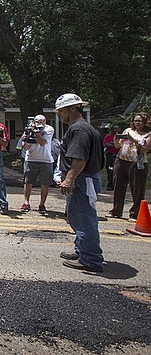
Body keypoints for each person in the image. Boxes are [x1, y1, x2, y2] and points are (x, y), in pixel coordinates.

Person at [55, 93, 104, 273]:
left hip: (82, 180)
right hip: (85, 179)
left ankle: (91, 259)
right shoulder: (83, 127)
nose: (59, 114)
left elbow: (79, 159)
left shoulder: (79, 130)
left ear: (73, 108)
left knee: (83, 219)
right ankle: (82, 251)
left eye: (61, 111)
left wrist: (69, 179)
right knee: (77, 217)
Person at [107, 113, 151, 220]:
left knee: (137, 188)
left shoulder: (148, 134)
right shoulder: (127, 131)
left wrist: (134, 140)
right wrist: (116, 140)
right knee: (118, 186)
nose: (137, 123)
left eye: (139, 121)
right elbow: (118, 146)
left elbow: (145, 149)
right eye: (135, 121)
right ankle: (116, 211)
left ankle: (135, 213)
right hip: (122, 159)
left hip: (137, 162)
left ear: (145, 122)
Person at [20, 114, 55, 214]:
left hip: (46, 159)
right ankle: (26, 202)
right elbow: (25, 147)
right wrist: (24, 139)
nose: (39, 125)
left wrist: (36, 132)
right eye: (37, 122)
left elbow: (42, 143)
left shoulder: (49, 129)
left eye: (42, 122)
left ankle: (42, 204)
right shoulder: (29, 128)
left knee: (45, 183)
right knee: (28, 181)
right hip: (31, 158)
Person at [102, 125, 121, 191]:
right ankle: (110, 184)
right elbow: (105, 144)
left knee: (119, 171)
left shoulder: (121, 137)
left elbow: (122, 145)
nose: (116, 130)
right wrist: (114, 144)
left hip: (119, 156)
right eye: (114, 129)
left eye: (117, 129)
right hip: (110, 155)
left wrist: (112, 144)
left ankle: (117, 185)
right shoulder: (108, 136)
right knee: (110, 170)